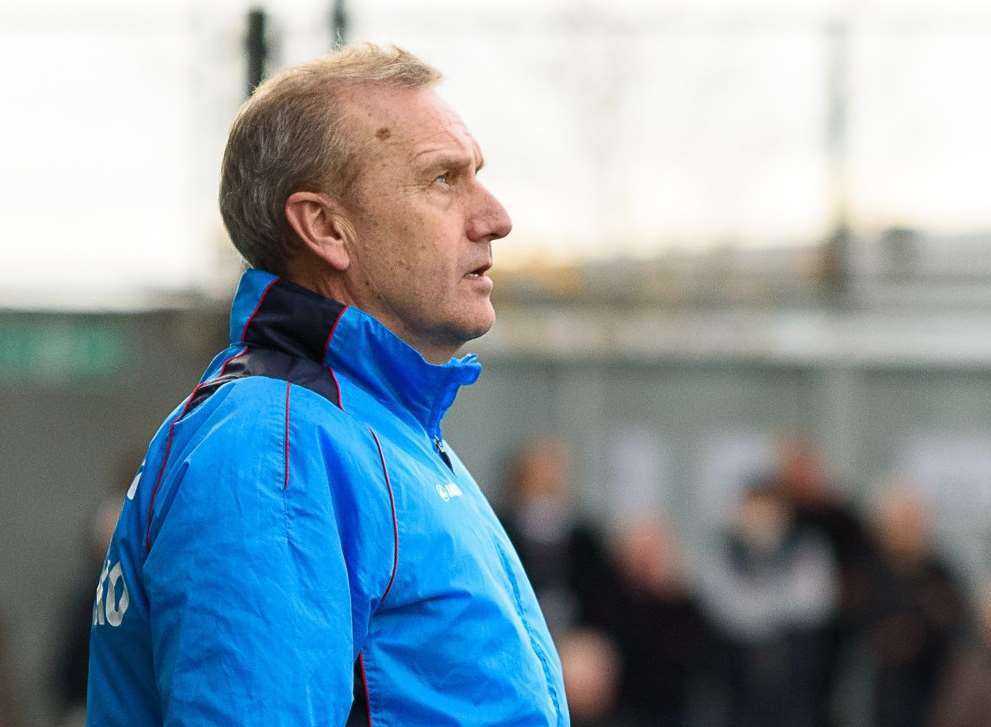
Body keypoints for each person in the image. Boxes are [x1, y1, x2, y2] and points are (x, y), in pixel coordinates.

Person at [86, 44, 568, 726]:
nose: (494, 216)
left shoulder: (379, 429)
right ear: (324, 227)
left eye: (477, 176)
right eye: (441, 179)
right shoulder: (275, 443)